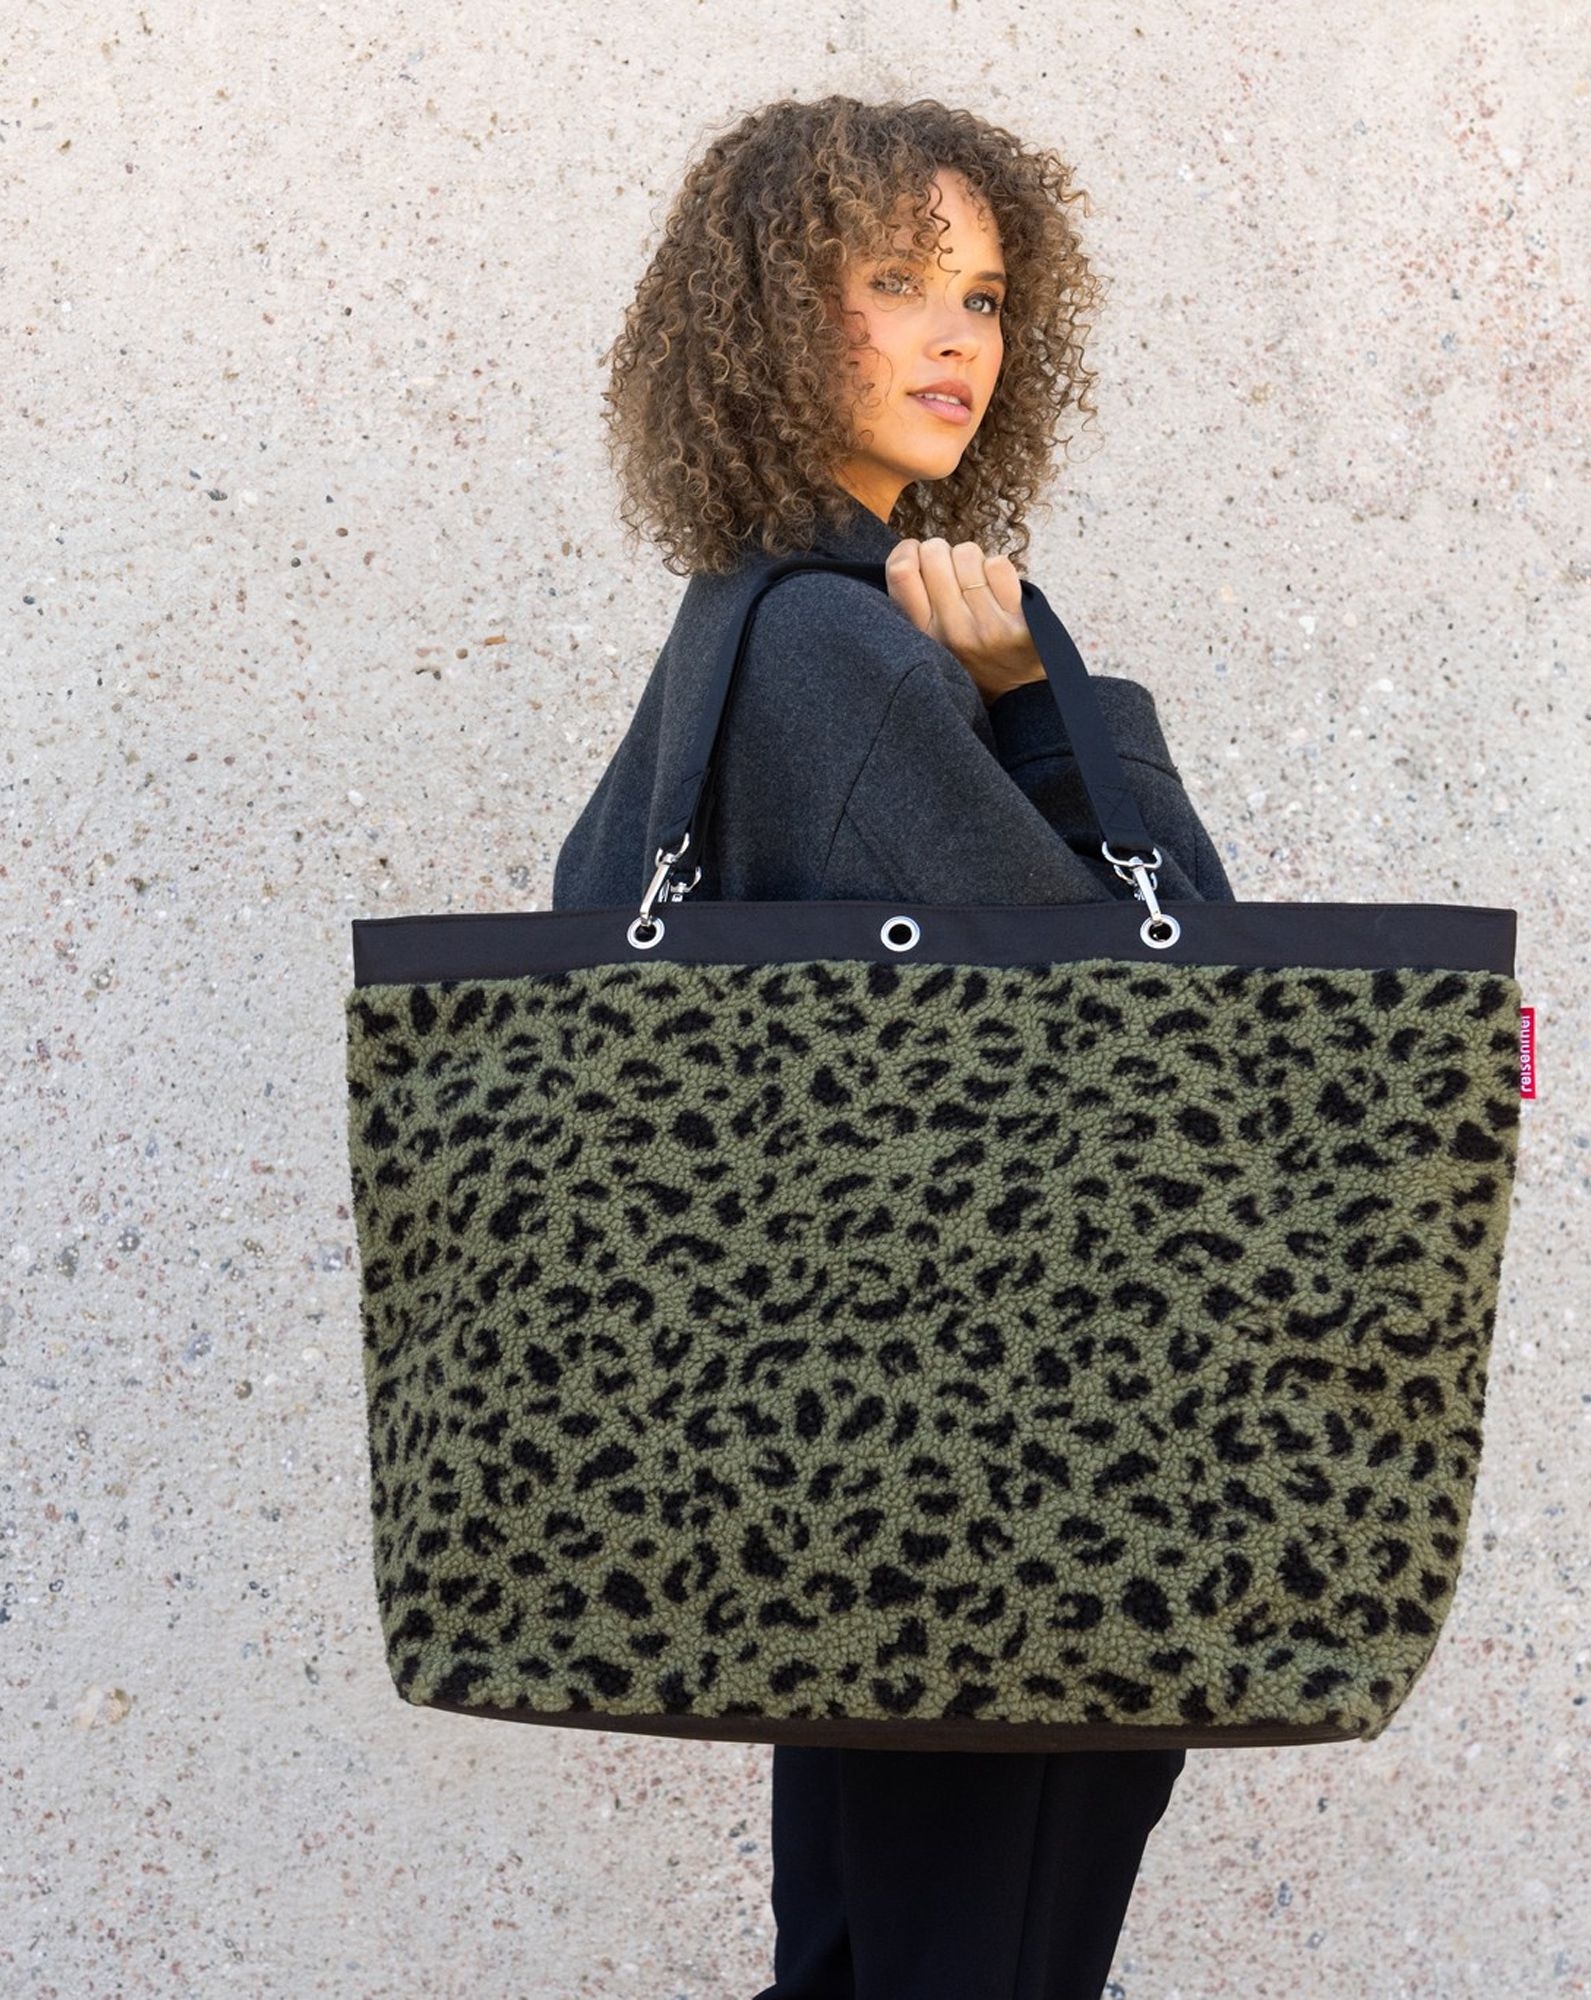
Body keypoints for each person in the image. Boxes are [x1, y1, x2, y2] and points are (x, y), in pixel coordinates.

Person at [551, 94, 1236, 2000]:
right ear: (777, 316)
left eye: (990, 296)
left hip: (852, 1487)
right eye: (897, 284)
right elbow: (1181, 1035)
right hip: (1027, 1487)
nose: (959, 339)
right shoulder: (850, 650)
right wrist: (1045, 705)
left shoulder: (734, 632)